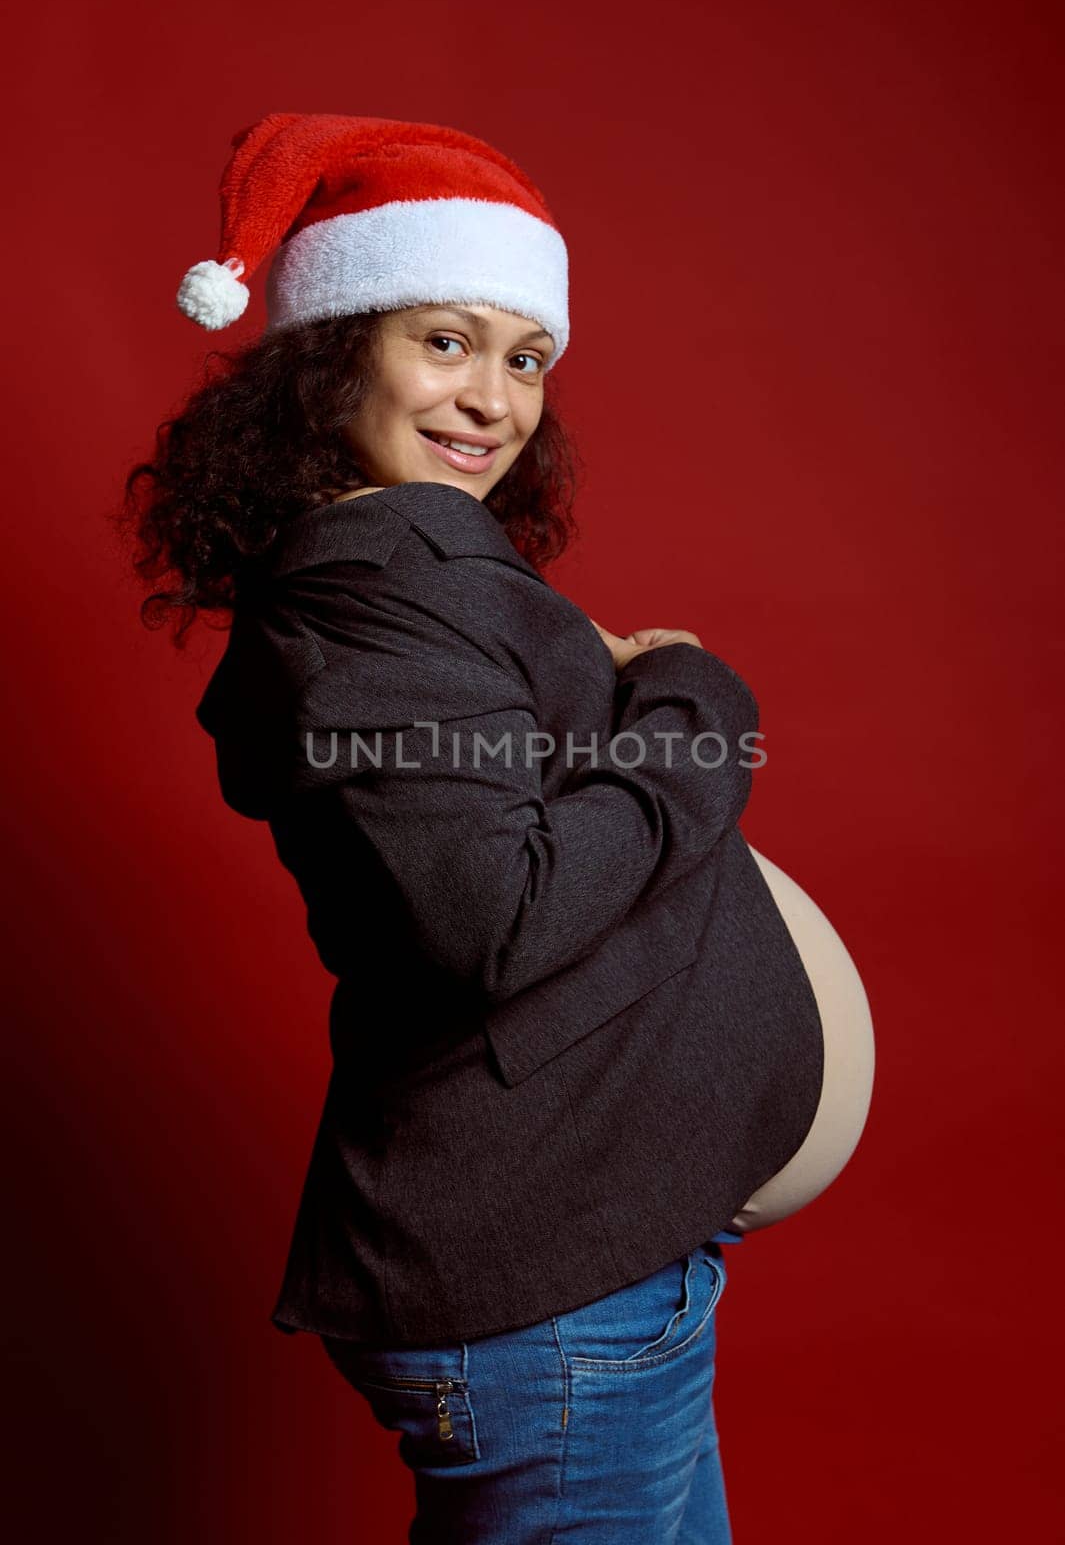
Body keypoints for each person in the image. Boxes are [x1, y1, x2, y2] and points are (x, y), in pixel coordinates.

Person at [122, 112, 874, 1543]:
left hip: (594, 1273)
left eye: (525, 358)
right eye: (445, 341)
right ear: (332, 351)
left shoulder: (424, 572)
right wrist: (696, 698)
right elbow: (503, 915)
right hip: (552, 1296)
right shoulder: (379, 585)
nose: (493, 400)